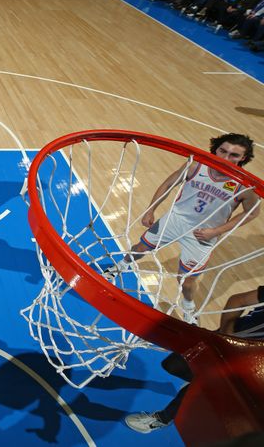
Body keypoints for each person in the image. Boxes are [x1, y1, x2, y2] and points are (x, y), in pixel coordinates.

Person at [112, 133, 260, 324]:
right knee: (141, 248)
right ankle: (121, 266)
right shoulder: (196, 165)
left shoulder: (244, 186)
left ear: (243, 159)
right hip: (175, 220)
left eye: (234, 155)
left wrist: (217, 231)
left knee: (186, 280)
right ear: (215, 148)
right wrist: (151, 210)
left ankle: (188, 307)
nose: (225, 157)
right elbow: (168, 183)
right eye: (223, 151)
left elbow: (252, 213)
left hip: (204, 235)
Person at [124, 284, 264, 433]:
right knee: (172, 364)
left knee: (203, 382)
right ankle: (201, 388)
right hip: (223, 341)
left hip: (245, 366)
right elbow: (237, 301)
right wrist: (226, 336)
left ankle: (162, 419)